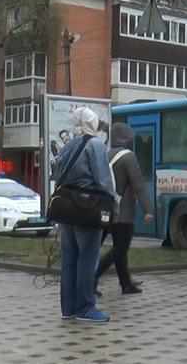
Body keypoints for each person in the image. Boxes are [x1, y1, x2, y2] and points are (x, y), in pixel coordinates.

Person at [53, 107, 116, 323]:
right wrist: (112, 200)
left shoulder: (67, 145)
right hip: (87, 209)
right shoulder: (96, 144)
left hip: (66, 210)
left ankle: (68, 308)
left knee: (69, 259)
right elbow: (103, 179)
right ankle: (86, 308)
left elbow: (57, 175)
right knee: (88, 259)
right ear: (93, 123)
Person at [95, 123, 155, 296]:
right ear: (127, 138)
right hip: (123, 213)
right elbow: (139, 185)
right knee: (120, 249)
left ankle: (126, 284)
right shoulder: (128, 157)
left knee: (116, 249)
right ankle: (91, 278)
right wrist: (148, 209)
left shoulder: (104, 155)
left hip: (105, 210)